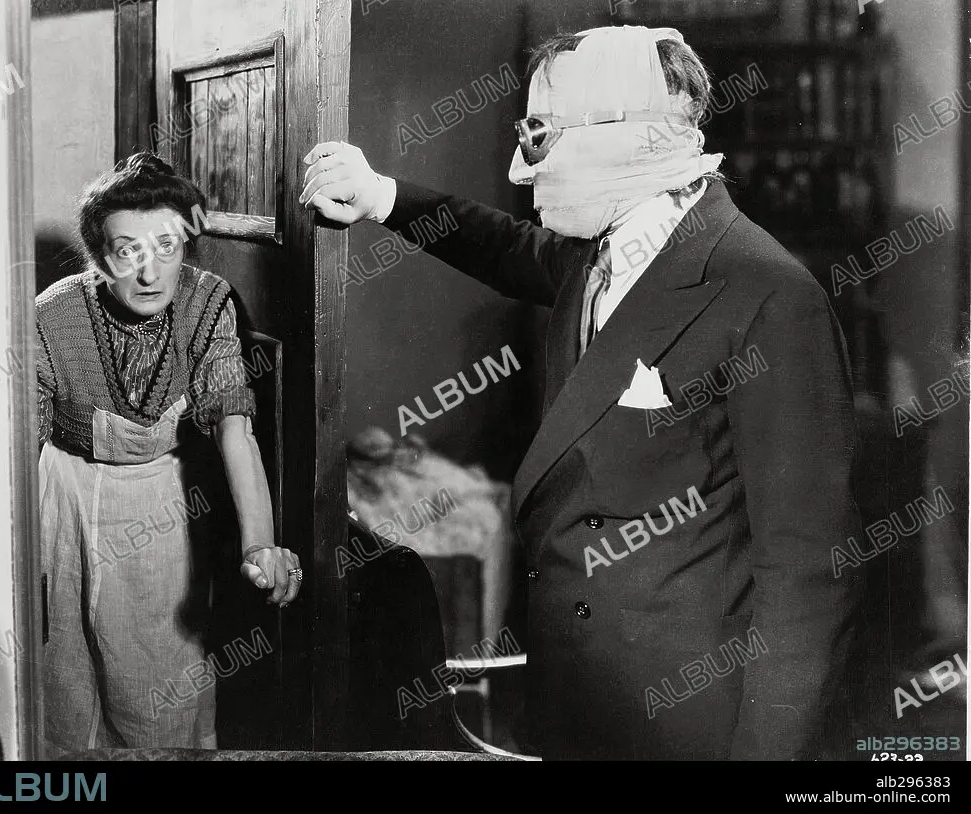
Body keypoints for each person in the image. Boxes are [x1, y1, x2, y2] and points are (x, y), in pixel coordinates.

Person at [300, 26, 864, 760]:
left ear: (626, 136)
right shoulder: (605, 249)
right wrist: (380, 195)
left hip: (684, 726)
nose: (523, 166)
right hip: (574, 706)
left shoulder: (769, 296)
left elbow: (809, 576)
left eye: (540, 136)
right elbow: (506, 247)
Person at [36, 152, 301, 754]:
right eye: (127, 249)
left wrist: (260, 542)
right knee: (63, 667)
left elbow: (236, 429)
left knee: (159, 676)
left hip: (161, 503)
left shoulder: (209, 305)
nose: (149, 270)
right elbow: (22, 447)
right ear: (98, 255)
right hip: (65, 498)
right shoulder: (55, 313)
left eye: (167, 245)